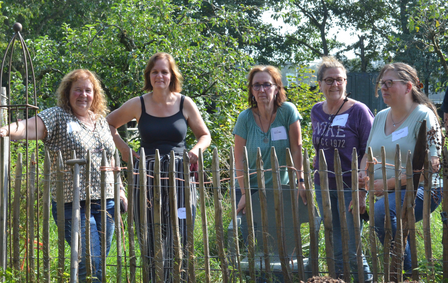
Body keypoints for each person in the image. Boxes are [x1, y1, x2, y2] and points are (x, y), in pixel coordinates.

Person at [0, 69, 124, 282]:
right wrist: (6, 130)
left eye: (88, 90)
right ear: (68, 93)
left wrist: (120, 191)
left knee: (100, 261)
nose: (83, 95)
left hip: (107, 202)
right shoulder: (57, 116)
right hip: (72, 203)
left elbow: (111, 160)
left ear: (95, 94)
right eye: (78, 90)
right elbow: (29, 126)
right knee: (91, 261)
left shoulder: (101, 121)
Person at [106, 52, 211, 281]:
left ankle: (178, 279)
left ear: (172, 75)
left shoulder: (185, 103)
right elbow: (108, 124)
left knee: (181, 234)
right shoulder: (138, 104)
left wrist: (195, 150)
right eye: (155, 72)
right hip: (147, 178)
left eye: (164, 71)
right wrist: (125, 151)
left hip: (180, 177)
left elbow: (205, 135)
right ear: (149, 75)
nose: (160, 76)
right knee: (150, 235)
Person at [358, 62, 442, 275]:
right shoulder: (380, 116)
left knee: (382, 212)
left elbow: (432, 165)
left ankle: (406, 274)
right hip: (383, 190)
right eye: (382, 83)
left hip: (422, 188)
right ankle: (398, 271)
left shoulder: (423, 115)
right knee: (371, 211)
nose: (383, 88)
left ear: (408, 87)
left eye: (390, 83)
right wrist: (362, 178)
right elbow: (368, 154)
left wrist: (387, 183)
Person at [311, 56, 374, 282]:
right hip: (323, 186)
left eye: (339, 80)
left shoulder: (359, 111)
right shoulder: (316, 111)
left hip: (350, 187)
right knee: (334, 242)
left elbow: (371, 148)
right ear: (320, 83)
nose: (334, 85)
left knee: (351, 244)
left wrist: (361, 187)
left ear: (346, 82)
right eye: (329, 80)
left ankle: (365, 280)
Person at [234, 65, 305, 218]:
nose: (261, 90)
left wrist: (301, 181)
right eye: (257, 85)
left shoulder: (287, 112)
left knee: (282, 235)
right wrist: (245, 193)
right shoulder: (244, 118)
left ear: (277, 88)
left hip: (282, 188)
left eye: (267, 84)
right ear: (252, 90)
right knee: (252, 237)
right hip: (250, 188)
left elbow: (296, 149)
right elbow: (239, 158)